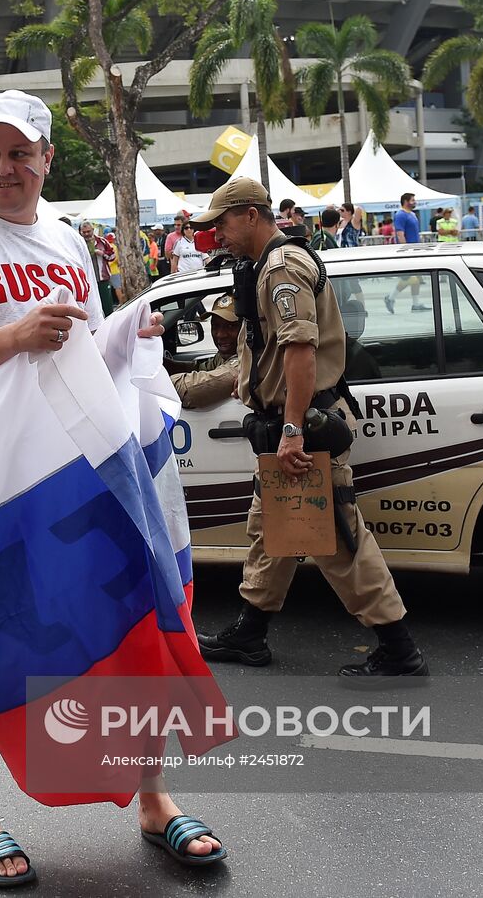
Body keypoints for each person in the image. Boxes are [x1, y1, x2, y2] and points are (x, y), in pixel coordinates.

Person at [0, 89, 222, 886]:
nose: (3, 167)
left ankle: (153, 798)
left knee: (127, 626)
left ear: (45, 159)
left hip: (74, 478)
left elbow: (83, 356)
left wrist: (126, 338)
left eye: (18, 153)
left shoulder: (69, 241)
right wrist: (12, 336)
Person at [190, 174, 429, 681]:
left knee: (338, 541)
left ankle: (397, 646)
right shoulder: (266, 265)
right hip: (284, 427)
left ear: (251, 215)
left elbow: (300, 350)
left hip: (300, 430)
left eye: (223, 223)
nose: (218, 235)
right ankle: (251, 632)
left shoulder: (281, 268)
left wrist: (293, 429)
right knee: (271, 531)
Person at [169, 293, 241, 409]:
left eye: (230, 326)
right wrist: (167, 364)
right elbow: (201, 368)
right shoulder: (228, 354)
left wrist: (155, 384)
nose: (220, 334)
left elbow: (189, 390)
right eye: (216, 326)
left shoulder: (242, 363)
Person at [384, 193, 428, 312]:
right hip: (408, 252)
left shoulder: (412, 214)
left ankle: (416, 304)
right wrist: (405, 250)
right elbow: (400, 234)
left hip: (415, 250)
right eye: (413, 200)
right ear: (405, 201)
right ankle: (390, 297)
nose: (415, 202)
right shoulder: (400, 215)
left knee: (416, 279)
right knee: (410, 278)